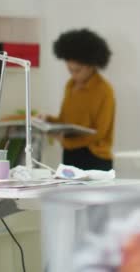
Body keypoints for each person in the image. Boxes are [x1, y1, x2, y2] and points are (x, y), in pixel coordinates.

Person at [45, 28, 115, 171]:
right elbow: (65, 121)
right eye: (70, 70)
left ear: (91, 66)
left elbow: (100, 132)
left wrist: (68, 143)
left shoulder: (104, 91)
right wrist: (48, 120)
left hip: (96, 158)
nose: (73, 75)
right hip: (70, 155)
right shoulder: (70, 86)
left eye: (77, 70)